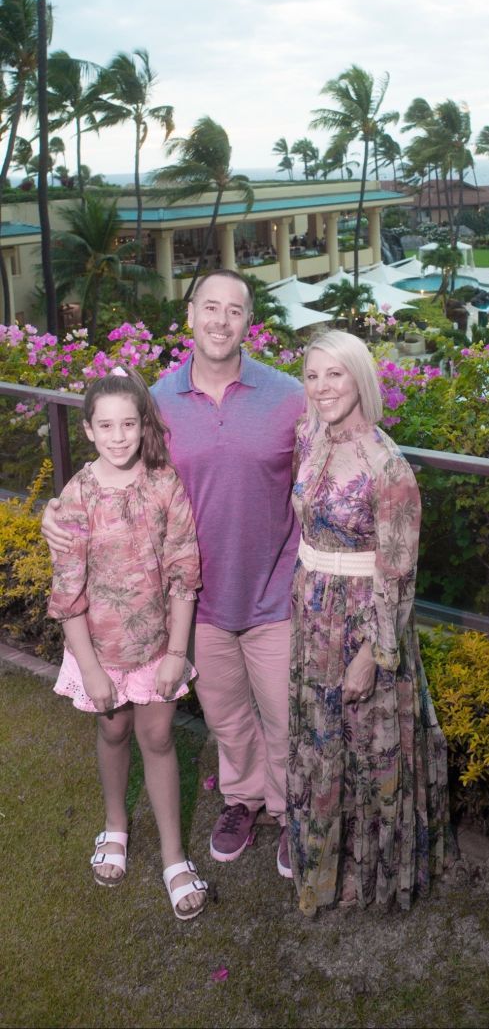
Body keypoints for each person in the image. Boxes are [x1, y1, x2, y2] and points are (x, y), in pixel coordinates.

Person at [42, 271, 306, 879]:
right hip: (194, 605)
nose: (220, 320)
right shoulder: (155, 403)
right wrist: (52, 512)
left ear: (248, 321)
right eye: (209, 307)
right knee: (228, 718)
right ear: (190, 315)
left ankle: (294, 811)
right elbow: (112, 475)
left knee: (287, 715)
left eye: (233, 310)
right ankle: (242, 799)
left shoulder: (289, 396)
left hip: (274, 592)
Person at [287, 329, 455, 916]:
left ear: (360, 378)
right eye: (313, 375)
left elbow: (398, 574)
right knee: (321, 746)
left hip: (363, 625)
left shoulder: (388, 466)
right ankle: (321, 867)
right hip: (311, 619)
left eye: (335, 374)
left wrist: (370, 655)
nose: (323, 386)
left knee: (366, 750)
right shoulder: (310, 438)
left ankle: (367, 875)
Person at [47, 366, 208, 922]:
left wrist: (176, 653)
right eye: (106, 426)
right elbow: (69, 593)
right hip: (99, 650)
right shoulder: (74, 499)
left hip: (158, 645)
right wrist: (90, 669)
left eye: (129, 424)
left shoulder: (165, 485)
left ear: (144, 426)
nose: (118, 437)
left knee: (158, 735)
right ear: (88, 430)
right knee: (113, 728)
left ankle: (172, 854)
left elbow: (185, 572)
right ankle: (115, 823)